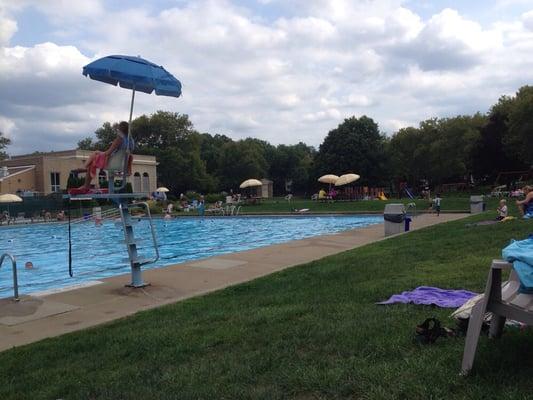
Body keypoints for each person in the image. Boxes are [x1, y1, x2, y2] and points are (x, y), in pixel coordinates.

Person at [69, 121, 134, 194]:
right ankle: (85, 173)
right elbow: (128, 154)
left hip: (112, 163)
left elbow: (108, 153)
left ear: (120, 130)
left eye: (118, 129)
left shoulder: (119, 139)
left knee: (95, 156)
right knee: (95, 156)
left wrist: (100, 152)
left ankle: (85, 175)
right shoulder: (131, 141)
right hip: (122, 164)